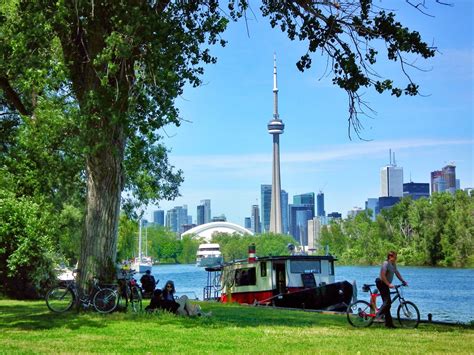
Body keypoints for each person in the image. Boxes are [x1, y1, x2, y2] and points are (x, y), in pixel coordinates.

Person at [375, 251, 408, 329]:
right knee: (387, 302)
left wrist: (403, 281)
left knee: (387, 304)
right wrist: (388, 284)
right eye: (395, 256)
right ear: (390, 257)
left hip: (385, 284)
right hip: (381, 282)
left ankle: (389, 323)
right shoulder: (385, 263)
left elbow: (396, 272)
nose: (396, 258)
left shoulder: (393, 264)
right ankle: (378, 316)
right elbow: (382, 275)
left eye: (396, 256)